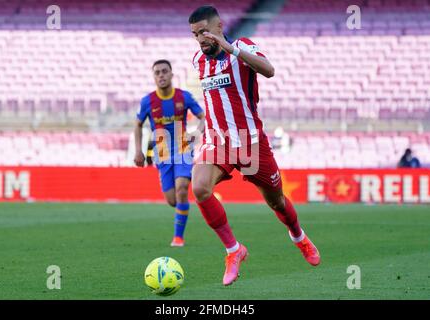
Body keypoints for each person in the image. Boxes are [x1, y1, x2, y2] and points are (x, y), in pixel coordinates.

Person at [188, 5, 320, 286]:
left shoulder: (242, 47)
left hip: (251, 142)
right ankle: (234, 250)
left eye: (204, 32)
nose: (200, 39)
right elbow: (215, 101)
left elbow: (269, 71)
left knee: (277, 201)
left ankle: (299, 236)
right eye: (195, 34)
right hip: (218, 141)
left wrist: (230, 48)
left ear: (219, 26)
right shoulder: (198, 60)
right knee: (199, 188)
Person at [134, 59, 205, 247]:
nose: (161, 75)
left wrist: (196, 134)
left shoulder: (184, 97)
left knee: (182, 189)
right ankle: (182, 209)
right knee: (173, 200)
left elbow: (203, 117)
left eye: (164, 71)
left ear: (172, 75)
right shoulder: (147, 101)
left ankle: (178, 238)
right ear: (154, 77)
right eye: (157, 72)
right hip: (162, 153)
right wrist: (138, 151)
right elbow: (138, 125)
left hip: (183, 149)